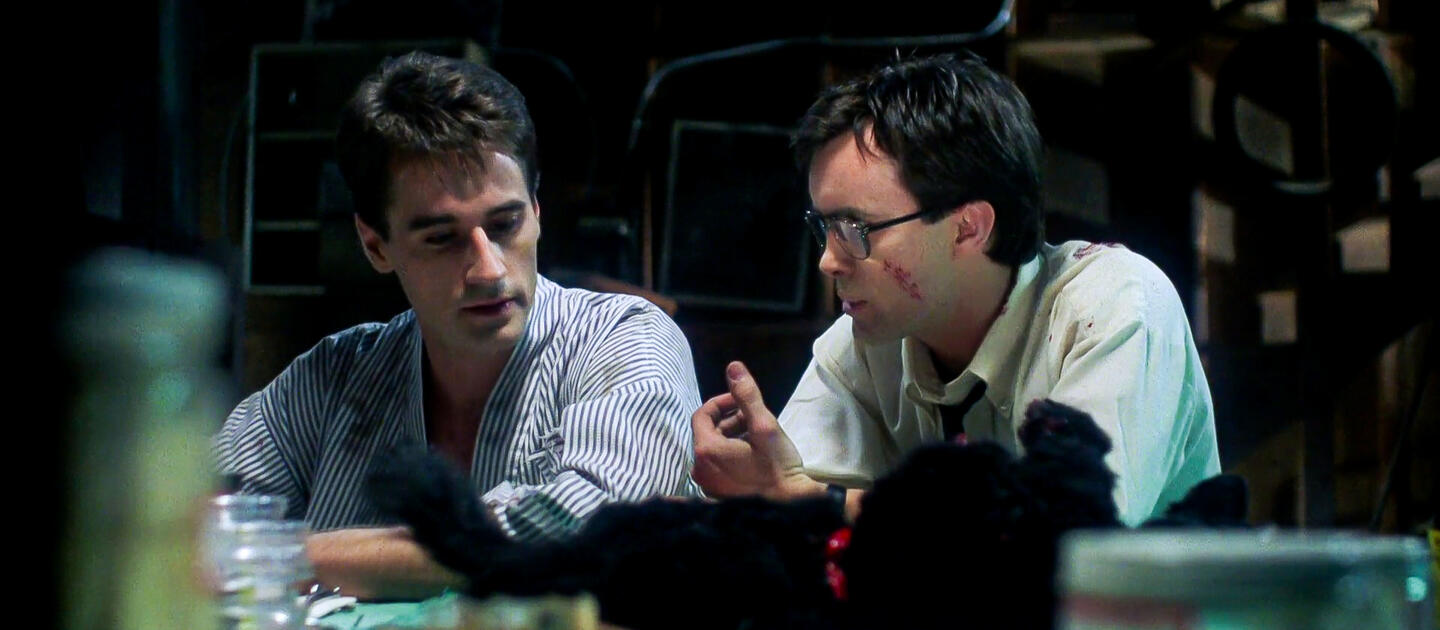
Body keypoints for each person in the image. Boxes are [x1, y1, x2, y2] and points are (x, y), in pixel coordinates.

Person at [215, 51, 702, 599]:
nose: (489, 270)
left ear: (537, 210)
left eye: (505, 224)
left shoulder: (624, 339)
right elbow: (190, 525)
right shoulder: (333, 380)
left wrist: (296, 556)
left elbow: (590, 530)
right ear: (375, 245)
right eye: (442, 238)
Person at [691, 53, 1220, 526]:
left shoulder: (1113, 306)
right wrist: (760, 494)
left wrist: (823, 503)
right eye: (823, 227)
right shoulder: (862, 345)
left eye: (855, 229)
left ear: (969, 227)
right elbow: (788, 513)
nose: (828, 261)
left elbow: (1065, 534)